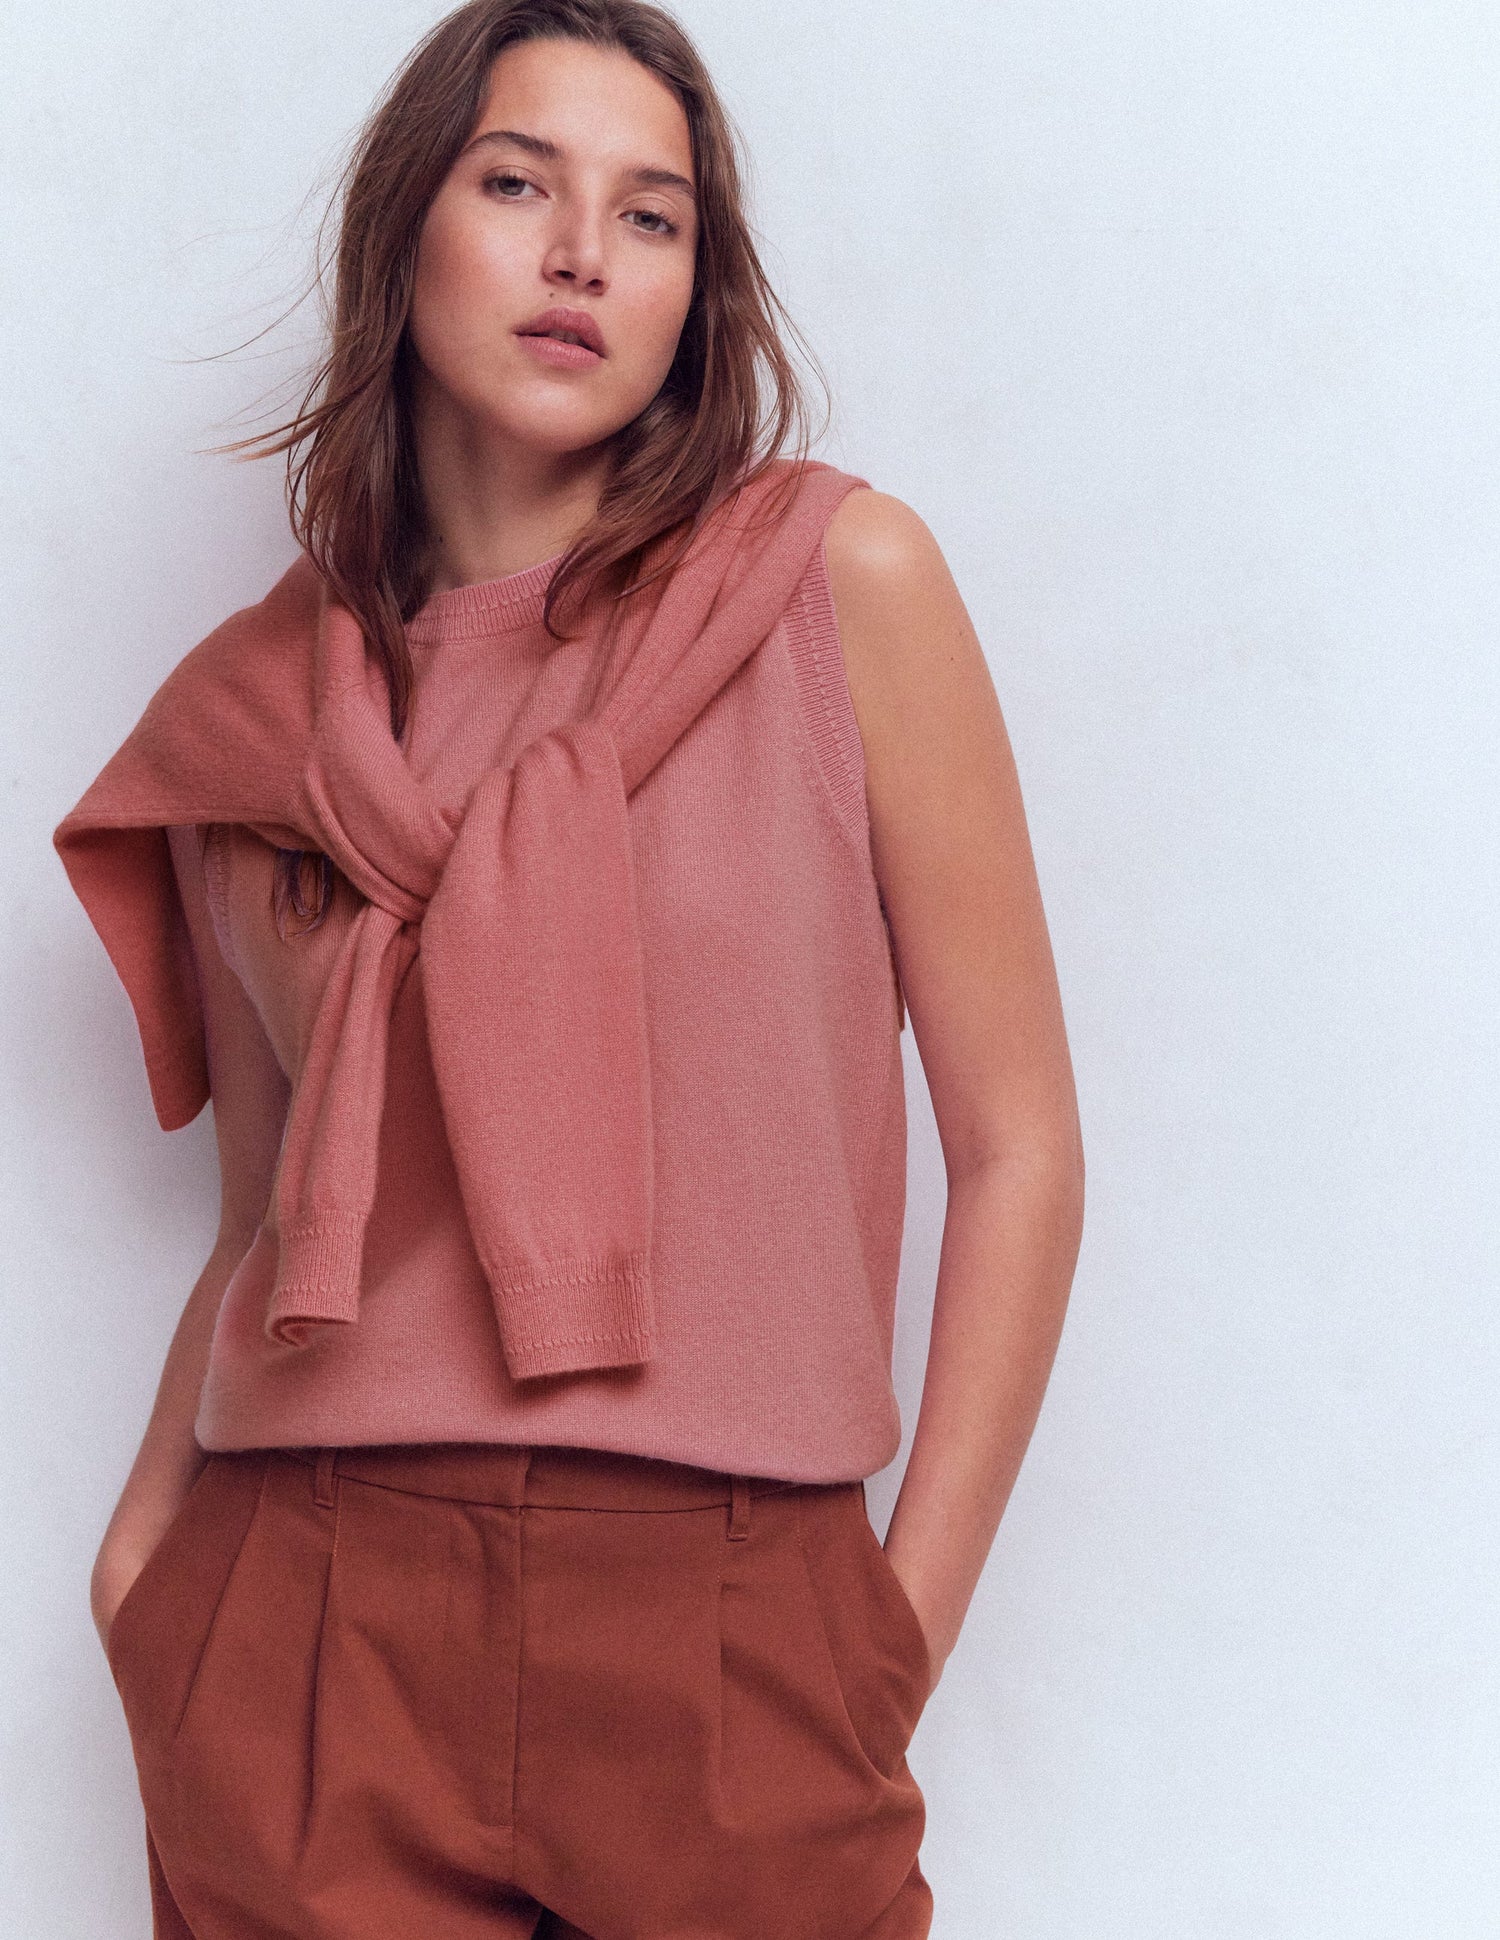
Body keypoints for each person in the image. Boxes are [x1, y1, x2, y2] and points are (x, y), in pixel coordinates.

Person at [52, 2, 1084, 1935]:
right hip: (307, 1615)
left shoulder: (835, 588)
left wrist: (888, 1636)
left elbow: (1017, 1146)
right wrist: (148, 1566)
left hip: (733, 1614)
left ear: (698, 290)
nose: (584, 254)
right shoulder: (259, 724)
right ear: (407, 229)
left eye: (653, 214)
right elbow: (265, 1215)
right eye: (519, 183)